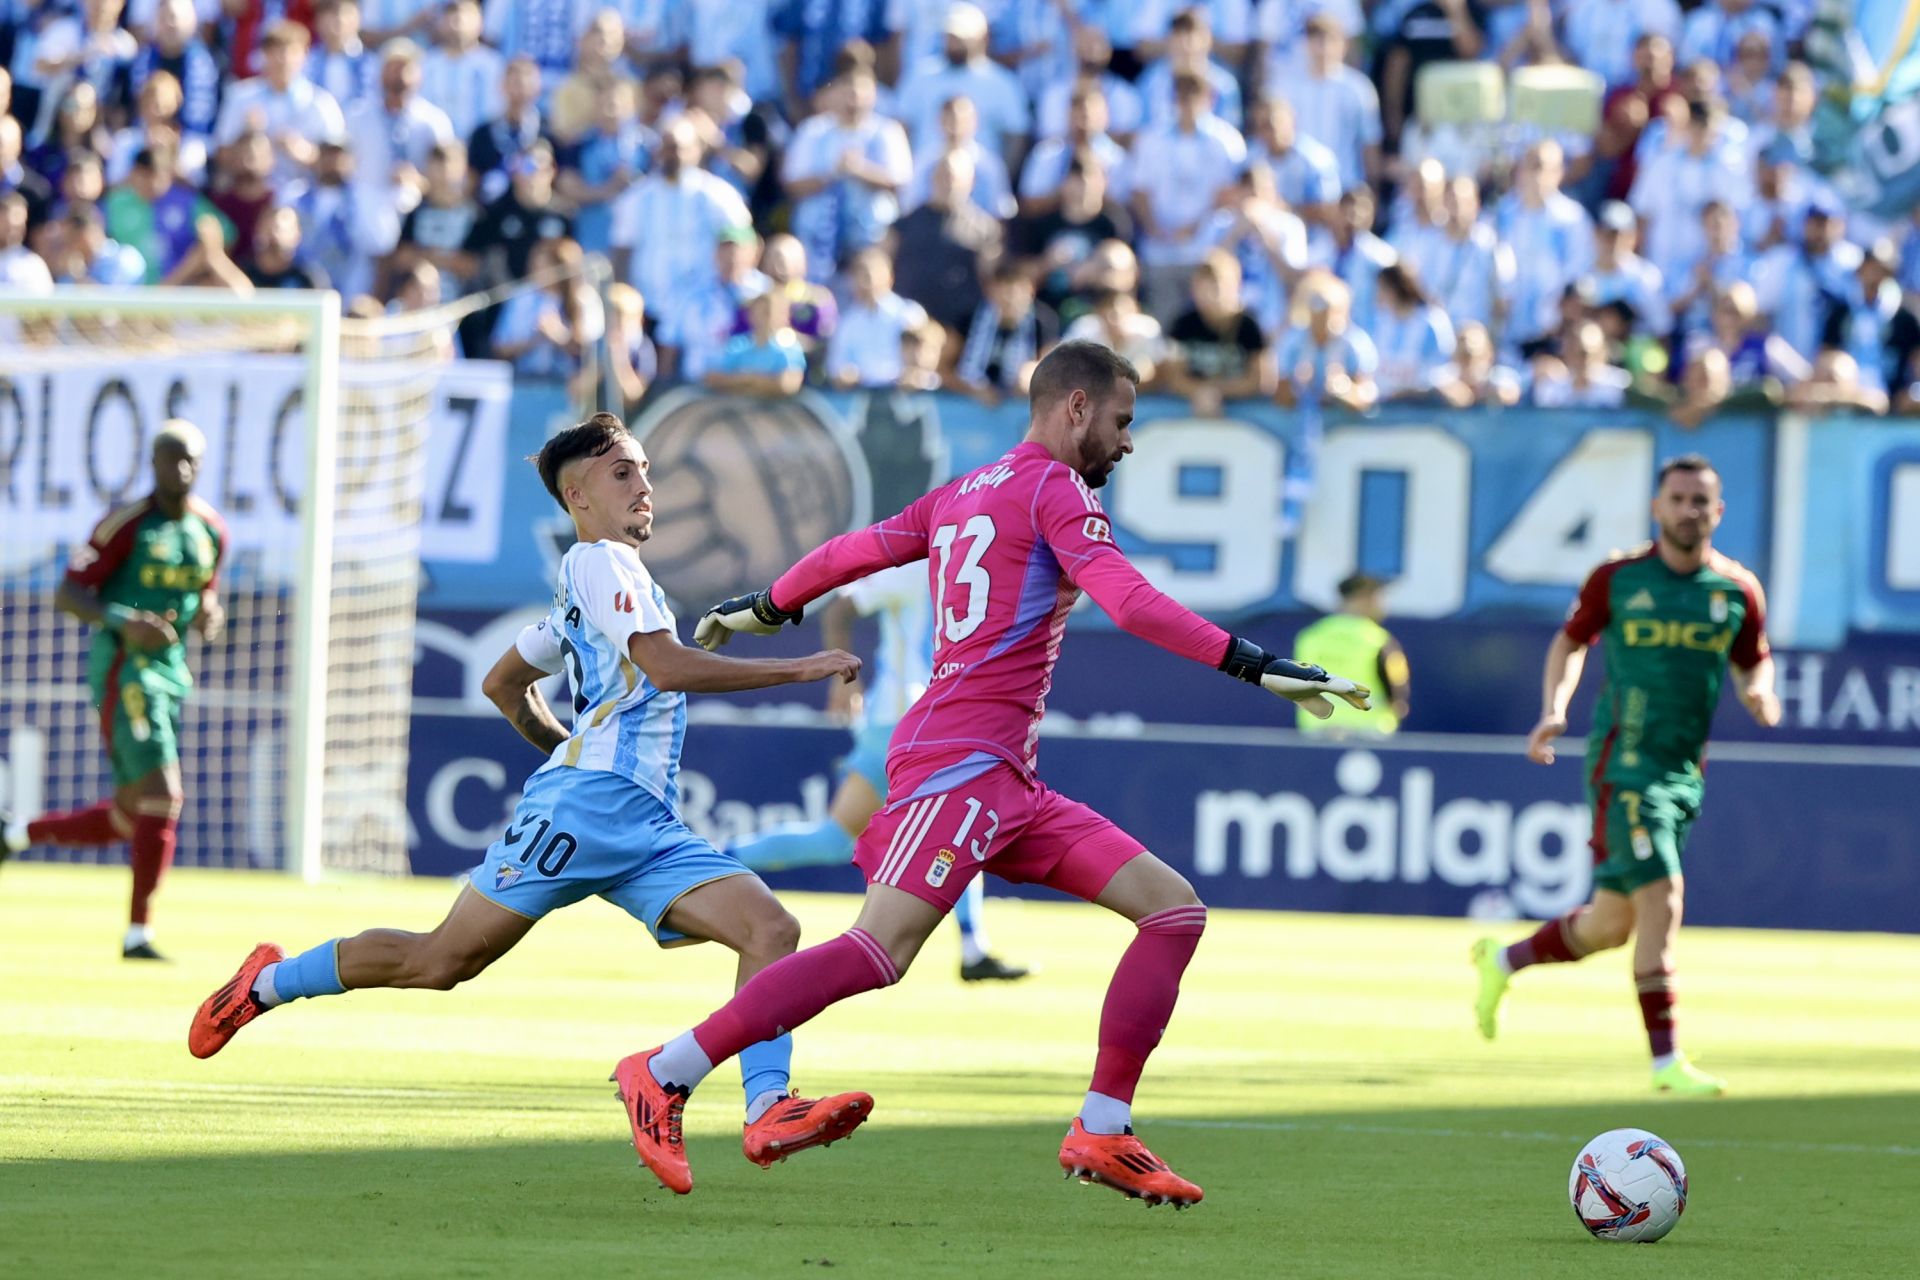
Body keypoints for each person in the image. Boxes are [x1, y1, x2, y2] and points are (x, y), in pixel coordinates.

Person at [610, 341, 1372, 1202]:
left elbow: (850, 553)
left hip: (1004, 776)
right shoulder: (1056, 489)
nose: (1127, 443)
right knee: (877, 950)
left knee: (1172, 911)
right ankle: (666, 1072)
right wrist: (1255, 665)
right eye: (1122, 422)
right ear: (1075, 407)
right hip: (956, 764)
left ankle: (1104, 1129)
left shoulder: (962, 492)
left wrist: (766, 607)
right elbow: (1127, 601)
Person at [186, 413, 877, 1176]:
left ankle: (764, 1107)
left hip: (640, 820)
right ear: (578, 497)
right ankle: (266, 983)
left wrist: (570, 749)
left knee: (770, 931)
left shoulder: (596, 582)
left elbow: (503, 682)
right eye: (623, 474)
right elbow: (669, 668)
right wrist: (797, 667)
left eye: (645, 469)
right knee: (439, 962)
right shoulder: (603, 566)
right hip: (584, 814)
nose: (644, 485)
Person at [1473, 454, 1781, 1096]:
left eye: (1702, 500)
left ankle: (1503, 961)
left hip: (1684, 773)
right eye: (1678, 498)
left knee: (1609, 926)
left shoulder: (1736, 591)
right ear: (1656, 507)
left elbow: (1755, 659)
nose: (1689, 510)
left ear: (1718, 512)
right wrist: (1554, 711)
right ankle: (1667, 1061)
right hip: (1626, 766)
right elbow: (1570, 642)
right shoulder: (1617, 578)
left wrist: (1760, 692)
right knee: (1664, 897)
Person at [727, 562, 1030, 984]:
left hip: (917, 724)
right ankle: (971, 946)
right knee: (960, 824)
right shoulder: (923, 566)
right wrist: (845, 681)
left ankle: (722, 862)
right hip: (904, 723)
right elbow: (840, 607)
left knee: (840, 838)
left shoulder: (970, 564)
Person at [0, 422, 226, 961]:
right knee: (164, 794)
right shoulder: (125, 524)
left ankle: (15, 835)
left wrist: (210, 615)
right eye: (171, 460)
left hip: (171, 674)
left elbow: (207, 593)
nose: (182, 470)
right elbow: (68, 593)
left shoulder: (211, 530)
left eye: (190, 460)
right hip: (125, 672)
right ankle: (137, 934)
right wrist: (127, 622)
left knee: (132, 813)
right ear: (152, 464)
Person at [1293, 574, 1410, 735]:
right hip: (1369, 731)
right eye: (1380, 597)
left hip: (1318, 729)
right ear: (1365, 597)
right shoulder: (1377, 639)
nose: (1384, 605)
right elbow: (1396, 692)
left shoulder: (1310, 636)